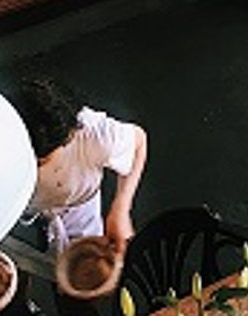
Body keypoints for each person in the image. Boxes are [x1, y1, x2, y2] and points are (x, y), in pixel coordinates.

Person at [13, 78, 147, 256]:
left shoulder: (95, 136)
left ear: (70, 136)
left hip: (80, 204)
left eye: (41, 160)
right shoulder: (4, 144)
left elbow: (139, 142)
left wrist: (121, 209)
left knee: (91, 256)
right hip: (30, 211)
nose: (35, 166)